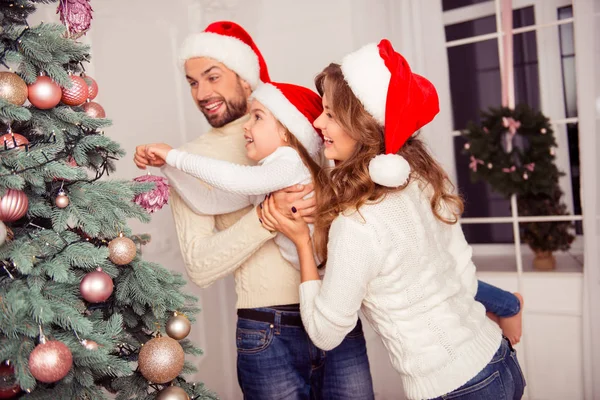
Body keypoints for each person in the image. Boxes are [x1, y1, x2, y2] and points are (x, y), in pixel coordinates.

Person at [261, 39, 526, 399]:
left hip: (457, 388)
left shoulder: (357, 224)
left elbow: (325, 333)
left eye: (331, 114)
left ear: (363, 124)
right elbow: (456, 267)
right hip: (498, 361)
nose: (318, 121)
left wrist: (302, 243)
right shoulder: (421, 176)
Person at [133, 21, 375, 399]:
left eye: (212, 77)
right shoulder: (198, 158)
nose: (202, 92)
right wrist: (267, 215)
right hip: (267, 329)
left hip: (335, 311)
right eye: (192, 82)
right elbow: (200, 264)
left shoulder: (305, 131)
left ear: (246, 79)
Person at [141, 81, 324, 270]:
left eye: (257, 117)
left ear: (286, 131)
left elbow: (234, 179)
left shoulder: (291, 162)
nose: (246, 125)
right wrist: (167, 165)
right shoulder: (267, 178)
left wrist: (174, 156)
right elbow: (207, 202)